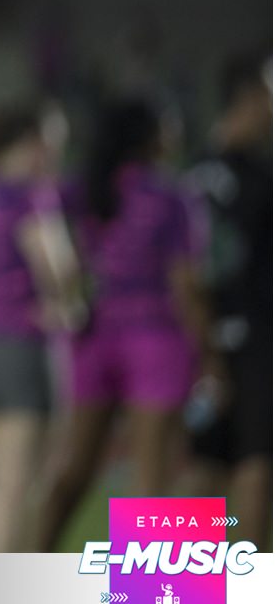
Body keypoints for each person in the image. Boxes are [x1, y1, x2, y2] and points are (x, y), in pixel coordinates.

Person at [35, 98, 214, 550]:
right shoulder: (172, 196)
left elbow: (52, 250)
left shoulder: (82, 188)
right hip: (158, 338)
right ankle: (157, 594)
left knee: (73, 471)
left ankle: (26, 568)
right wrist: (211, 353)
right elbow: (185, 283)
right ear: (151, 137)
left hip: (94, 336)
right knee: (152, 479)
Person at [0, 100, 83, 552]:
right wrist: (69, 304)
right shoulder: (30, 197)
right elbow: (57, 269)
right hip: (21, 344)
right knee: (16, 490)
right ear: (33, 142)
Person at [184, 49, 271, 551]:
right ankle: (258, 587)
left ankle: (167, 589)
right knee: (258, 464)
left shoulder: (190, 172)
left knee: (204, 463)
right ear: (250, 97)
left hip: (197, 339)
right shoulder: (260, 178)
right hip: (255, 339)